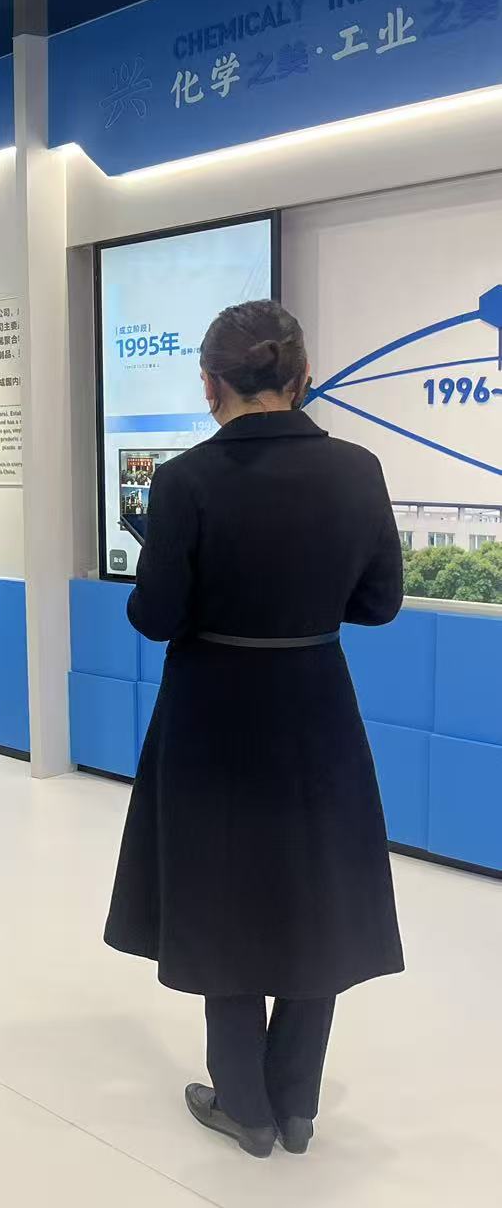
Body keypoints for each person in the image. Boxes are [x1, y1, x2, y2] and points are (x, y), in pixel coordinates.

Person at [104, 301, 406, 1160]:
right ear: (301, 378)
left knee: (220, 894)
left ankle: (245, 1106)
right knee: (318, 891)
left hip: (212, 710)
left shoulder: (184, 481)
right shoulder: (358, 468)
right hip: (317, 705)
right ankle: (296, 1101)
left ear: (211, 385)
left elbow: (156, 618)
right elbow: (379, 603)